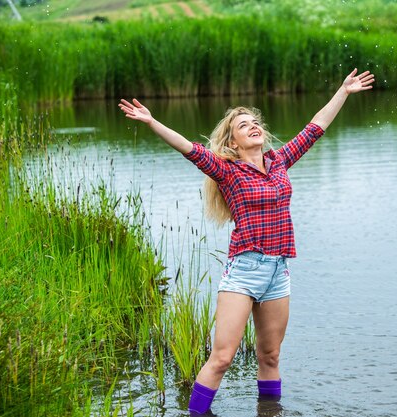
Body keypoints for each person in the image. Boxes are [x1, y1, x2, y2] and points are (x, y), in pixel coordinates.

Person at [119, 68, 375, 415]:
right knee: (223, 357)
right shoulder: (227, 170)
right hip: (244, 270)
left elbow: (316, 127)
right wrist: (152, 122)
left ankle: (269, 411)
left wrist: (343, 91)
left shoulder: (280, 161)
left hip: (277, 272)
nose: (253, 125)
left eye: (255, 121)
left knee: (270, 355)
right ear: (232, 143)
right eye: (243, 125)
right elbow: (189, 149)